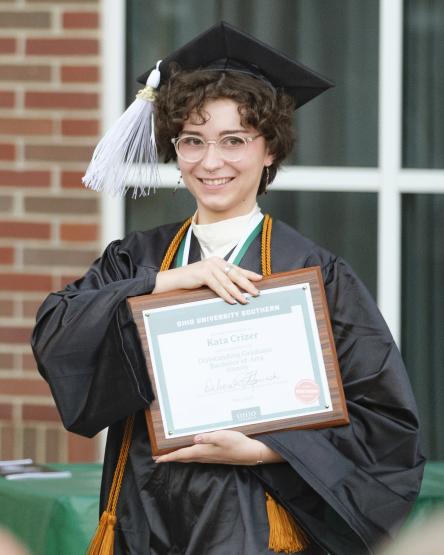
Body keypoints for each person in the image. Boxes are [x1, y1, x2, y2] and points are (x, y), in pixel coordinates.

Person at [31, 22, 424, 555]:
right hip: (143, 515)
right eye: (192, 141)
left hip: (254, 525)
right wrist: (167, 282)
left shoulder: (315, 272)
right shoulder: (138, 258)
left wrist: (264, 450)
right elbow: (59, 332)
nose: (210, 162)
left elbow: (386, 426)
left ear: (270, 152)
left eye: (234, 140)